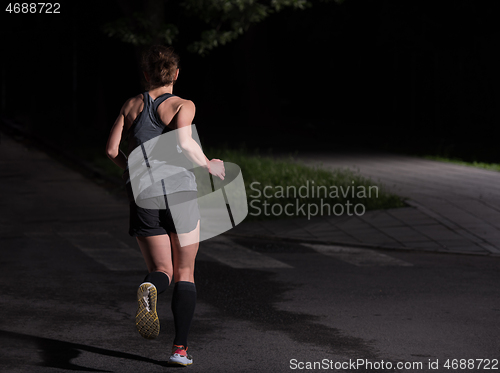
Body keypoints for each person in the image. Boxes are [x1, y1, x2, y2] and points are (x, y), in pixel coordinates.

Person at [105, 45, 225, 367]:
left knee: (163, 271)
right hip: (180, 193)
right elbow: (185, 144)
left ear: (146, 75)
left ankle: (150, 286)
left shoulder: (131, 104)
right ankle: (179, 350)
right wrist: (208, 164)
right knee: (186, 272)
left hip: (143, 193)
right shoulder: (182, 105)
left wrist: (133, 170)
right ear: (174, 74)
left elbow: (112, 150)